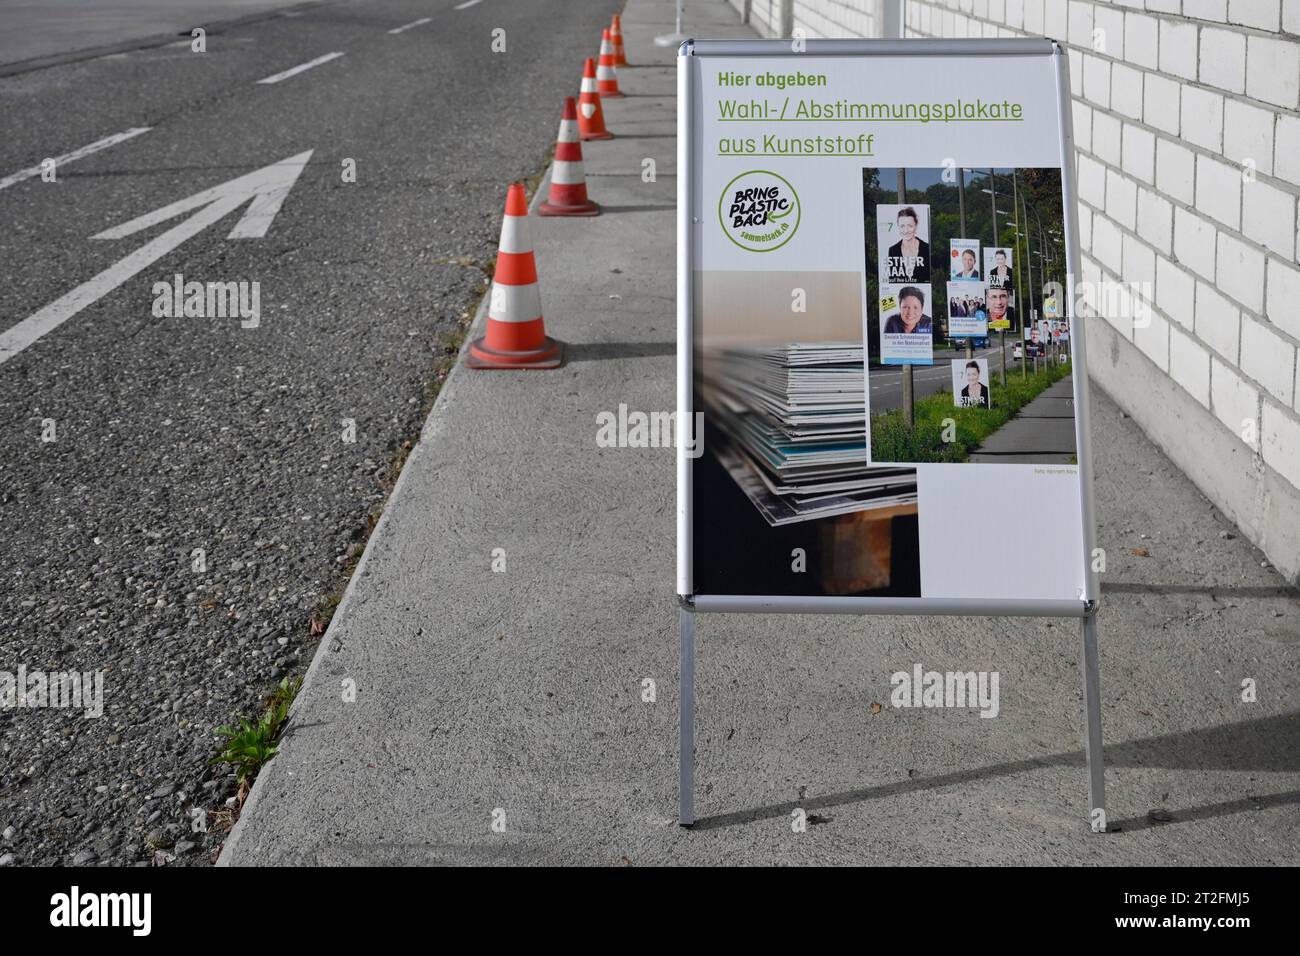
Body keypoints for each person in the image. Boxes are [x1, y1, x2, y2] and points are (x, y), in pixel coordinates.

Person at [885, 207, 930, 283]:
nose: (906, 230)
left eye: (910, 226)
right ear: (898, 227)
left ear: (916, 226)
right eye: (902, 226)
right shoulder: (893, 250)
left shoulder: (927, 248)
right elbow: (893, 281)